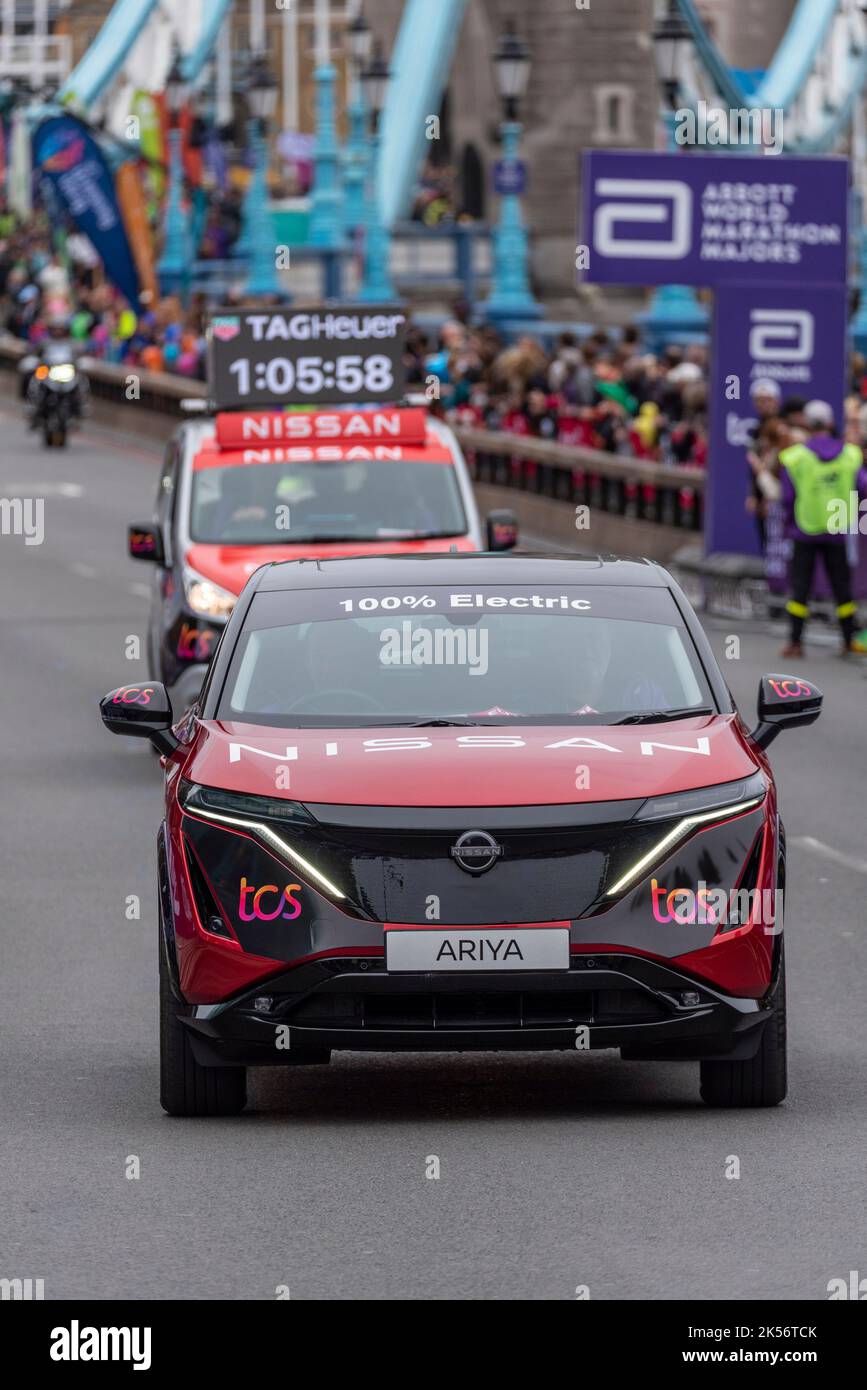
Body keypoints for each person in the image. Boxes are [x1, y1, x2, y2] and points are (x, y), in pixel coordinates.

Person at [778, 399, 867, 657]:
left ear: (806, 423)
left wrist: (789, 522)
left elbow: (786, 497)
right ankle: (848, 641)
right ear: (830, 423)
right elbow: (862, 488)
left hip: (804, 528)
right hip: (837, 528)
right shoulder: (850, 454)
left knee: (800, 587)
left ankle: (795, 643)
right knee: (842, 587)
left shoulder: (795, 457)